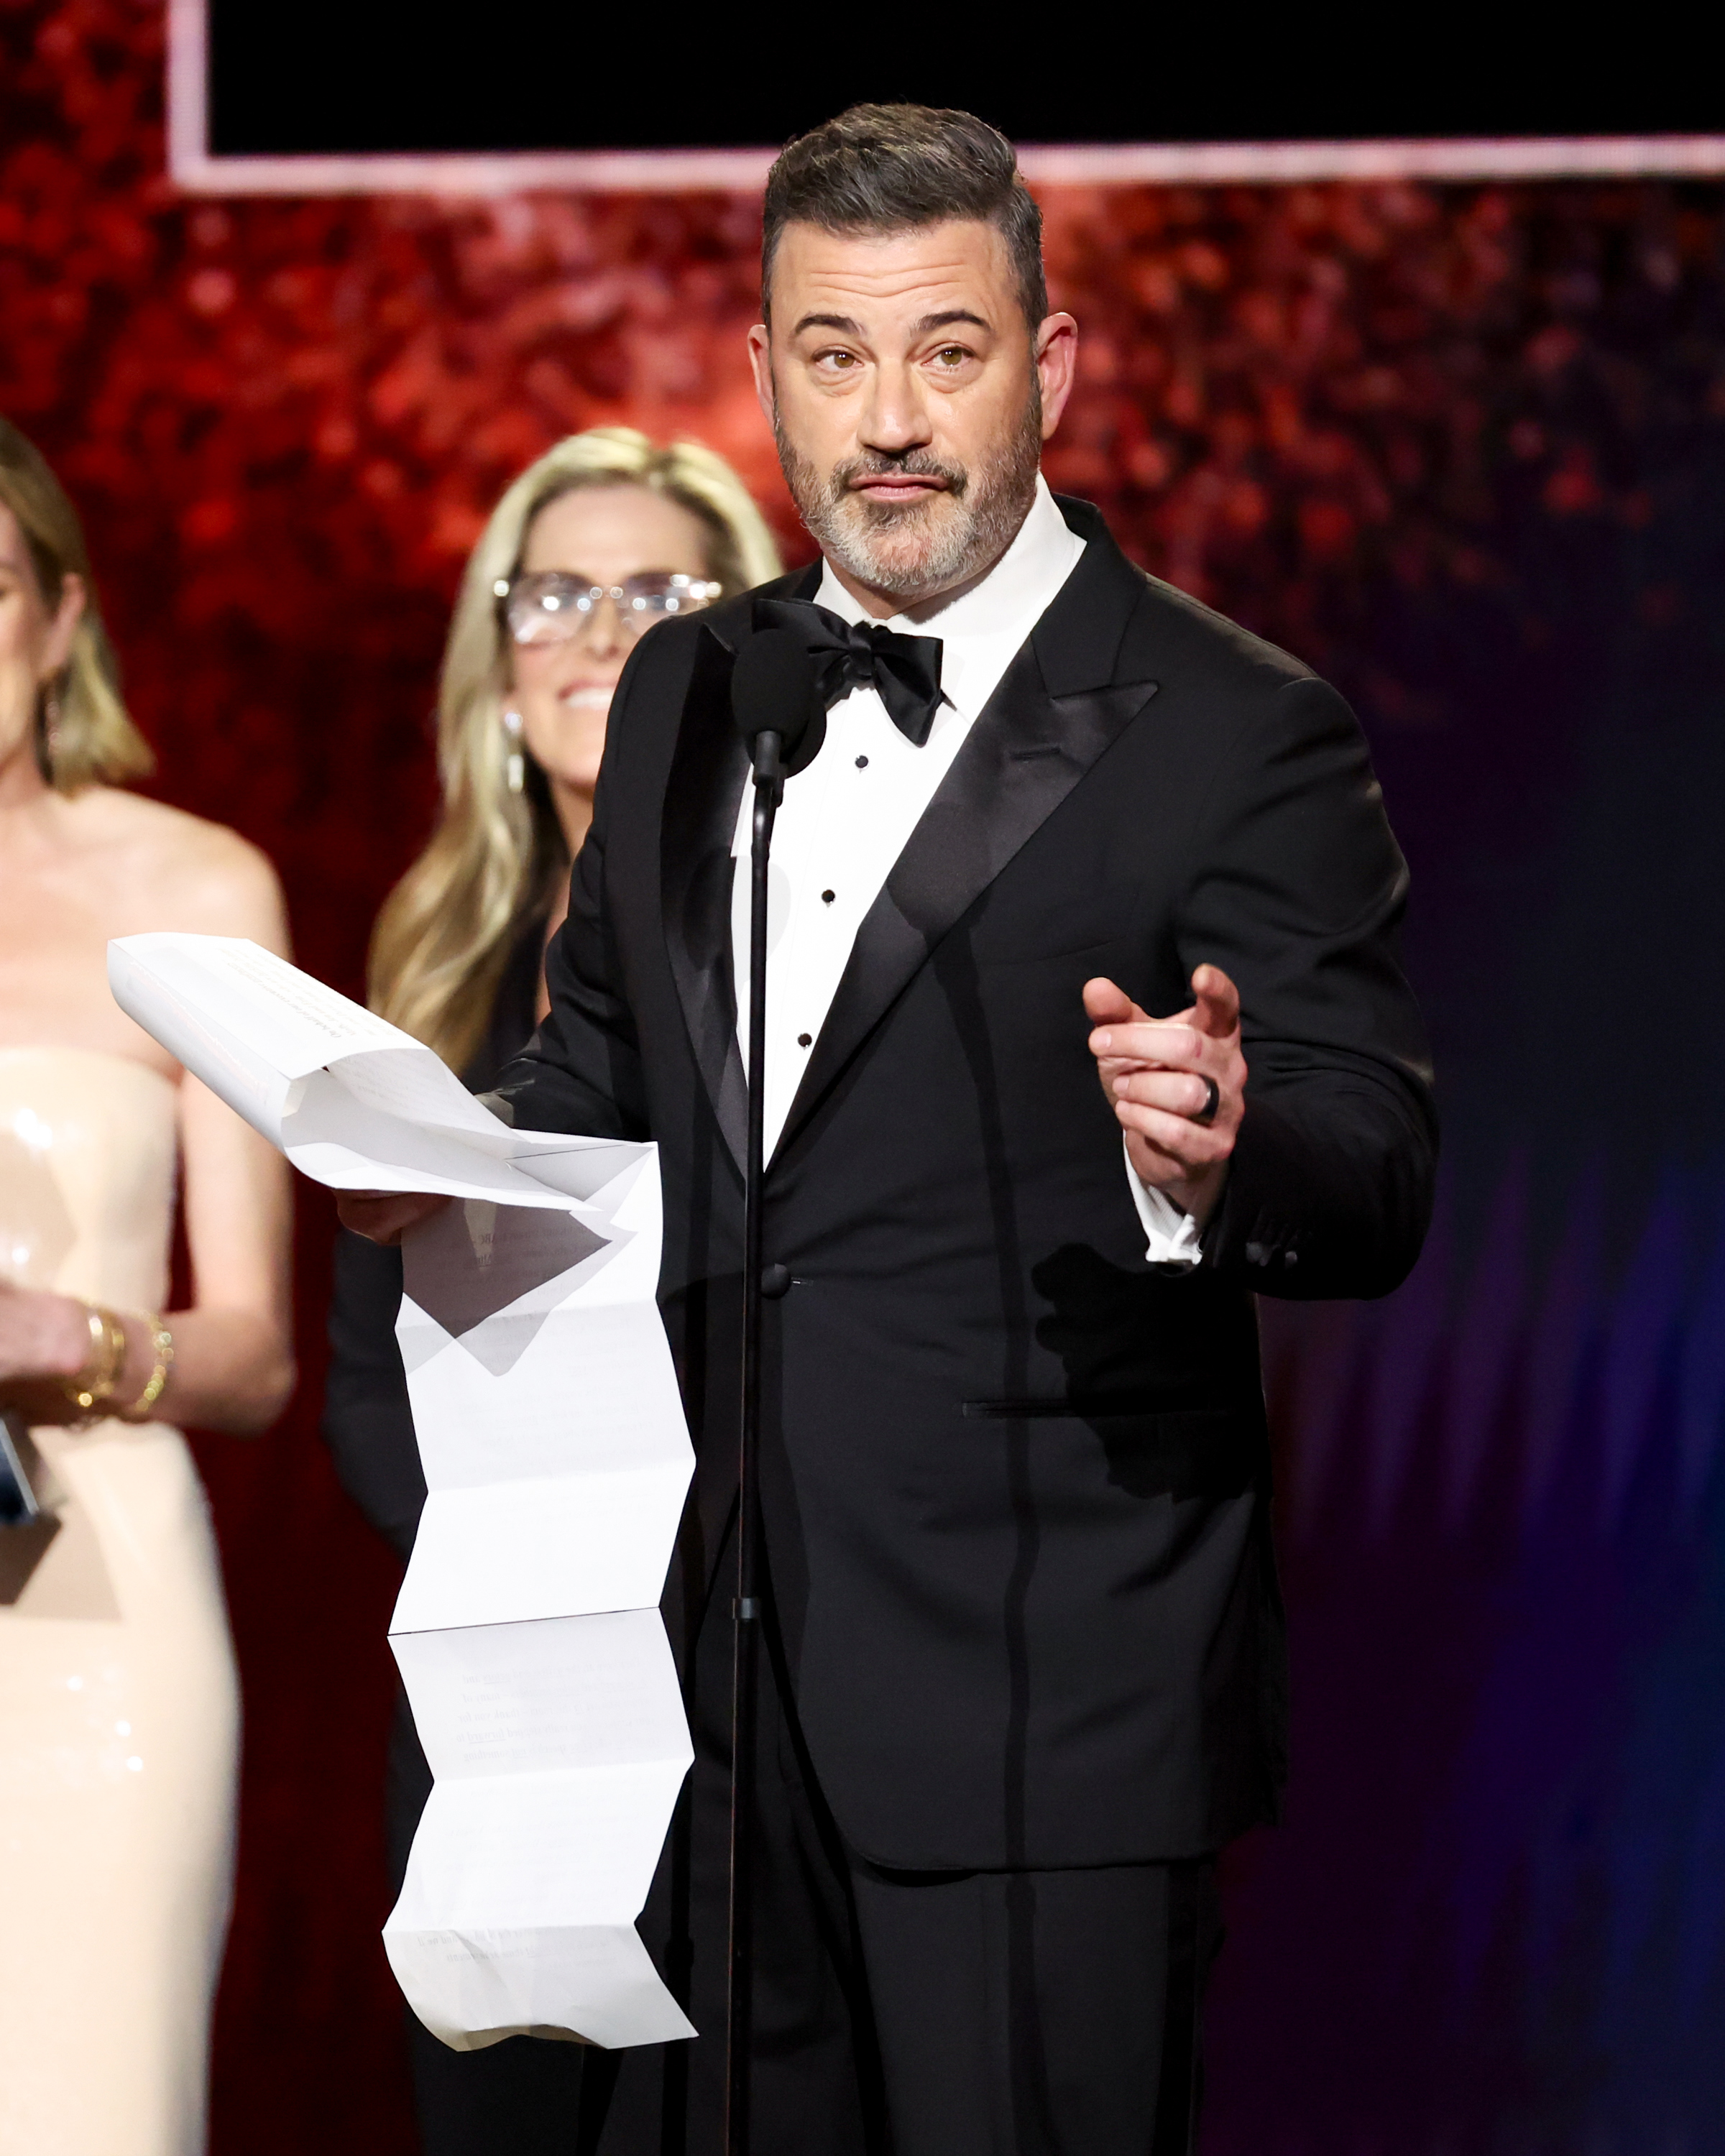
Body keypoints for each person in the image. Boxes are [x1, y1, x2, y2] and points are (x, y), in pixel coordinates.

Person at [344, 105, 1438, 2156]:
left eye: (948, 349)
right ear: (762, 376)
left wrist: (1218, 1143)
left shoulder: (1233, 722)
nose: (893, 418)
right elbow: (599, 1081)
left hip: (1044, 1712)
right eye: (835, 358)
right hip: (711, 1708)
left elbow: (1373, 1155)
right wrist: (432, 1149)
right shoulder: (690, 689)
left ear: (1055, 362)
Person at [319, 426, 781, 2153]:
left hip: (762, 1677)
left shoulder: (812, 940)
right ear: (496, 669)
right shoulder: (429, 960)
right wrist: (520, 1567)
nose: (605, 636)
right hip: (507, 1699)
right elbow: (370, 1379)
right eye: (558, 595)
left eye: (663, 595)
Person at [0, 417, 295, 2154]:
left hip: (96, 1608)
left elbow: (256, 1350)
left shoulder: (194, 894)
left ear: (59, 619)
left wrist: (70, 1340)